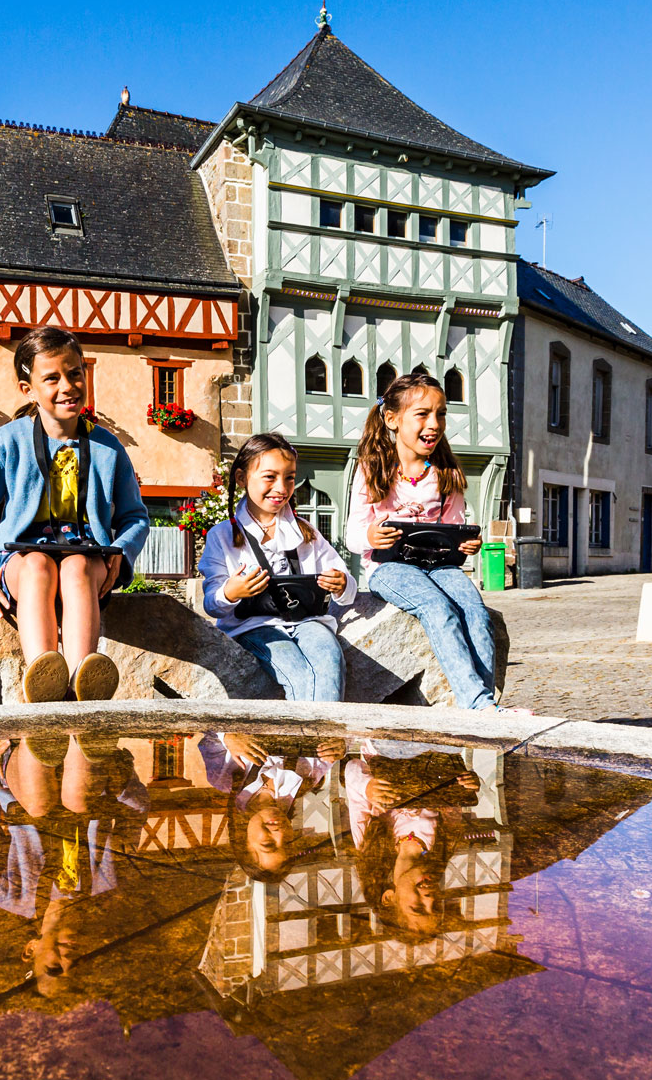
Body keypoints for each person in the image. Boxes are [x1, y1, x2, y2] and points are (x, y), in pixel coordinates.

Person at [0, 327, 150, 702]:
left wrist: (119, 553)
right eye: (52, 378)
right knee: (37, 567)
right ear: (27, 389)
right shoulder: (6, 441)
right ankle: (43, 678)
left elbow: (135, 517)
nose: (68, 385)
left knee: (77, 565)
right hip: (24, 557)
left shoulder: (109, 446)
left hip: (88, 557)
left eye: (76, 373)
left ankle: (84, 679)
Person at [348, 373, 527, 713]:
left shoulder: (445, 471)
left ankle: (484, 704)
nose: (434, 423)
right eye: (423, 414)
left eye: (441, 414)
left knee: (474, 609)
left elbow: (455, 527)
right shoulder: (372, 468)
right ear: (392, 419)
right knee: (437, 609)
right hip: (389, 566)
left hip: (440, 564)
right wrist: (371, 535)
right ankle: (477, 705)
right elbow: (352, 535)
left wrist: (464, 545)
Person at [0, 734, 148, 996]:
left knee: (38, 805)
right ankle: (82, 724)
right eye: (81, 963)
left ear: (31, 950)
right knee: (77, 800)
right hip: (89, 778)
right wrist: (122, 781)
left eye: (54, 967)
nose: (70, 959)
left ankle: (39, 720)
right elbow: (135, 817)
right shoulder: (108, 882)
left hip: (23, 780)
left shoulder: (11, 896)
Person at [197, 433, 354, 702]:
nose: (281, 488)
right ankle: (319, 740)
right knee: (298, 675)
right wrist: (231, 592)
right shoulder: (221, 536)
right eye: (270, 477)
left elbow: (347, 587)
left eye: (290, 477)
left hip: (308, 622)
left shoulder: (307, 532)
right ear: (241, 478)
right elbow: (212, 605)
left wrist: (341, 583)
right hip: (253, 627)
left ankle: (314, 740)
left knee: (330, 663)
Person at [345, 742, 483, 941]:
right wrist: (470, 782)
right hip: (435, 744)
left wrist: (367, 787)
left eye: (418, 907)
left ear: (389, 898)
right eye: (435, 906)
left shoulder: (368, 846)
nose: (430, 898)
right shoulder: (444, 841)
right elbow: (454, 780)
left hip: (383, 745)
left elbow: (352, 768)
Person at [197, 730, 344, 882]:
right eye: (287, 843)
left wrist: (227, 737)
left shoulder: (222, 776)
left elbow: (201, 723)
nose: (280, 834)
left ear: (242, 841)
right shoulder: (306, 778)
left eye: (268, 844)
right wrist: (340, 745)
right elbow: (335, 735)